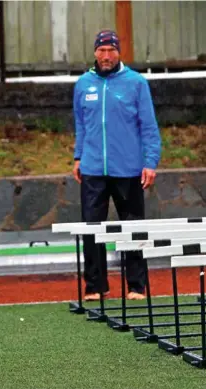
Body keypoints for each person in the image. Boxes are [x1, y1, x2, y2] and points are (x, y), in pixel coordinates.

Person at [72, 30, 161, 301]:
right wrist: (78, 157)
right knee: (91, 227)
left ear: (119, 52)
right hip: (92, 168)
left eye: (111, 50)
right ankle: (95, 286)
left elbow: (148, 126)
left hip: (129, 169)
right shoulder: (83, 84)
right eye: (102, 50)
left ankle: (136, 286)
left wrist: (150, 162)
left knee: (132, 227)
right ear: (95, 53)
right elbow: (81, 124)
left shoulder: (136, 83)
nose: (106, 55)